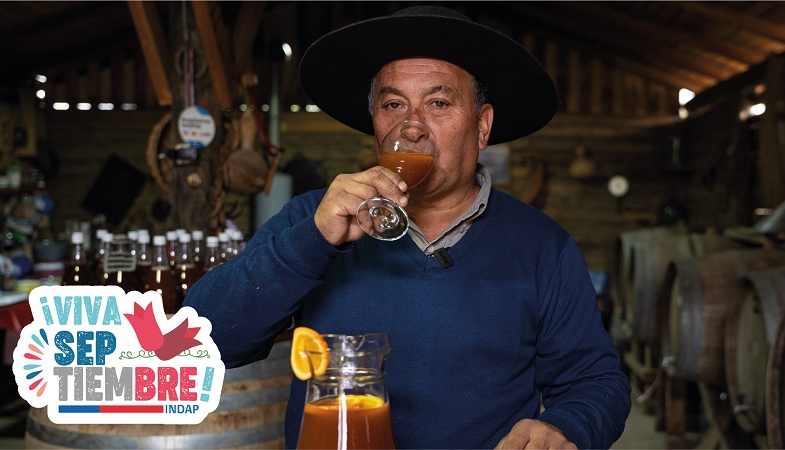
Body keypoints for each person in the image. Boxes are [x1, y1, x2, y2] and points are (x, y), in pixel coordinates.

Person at [184, 6, 631, 449]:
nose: (411, 127)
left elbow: (595, 381)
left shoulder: (542, 247)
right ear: (375, 124)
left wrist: (566, 426)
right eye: (393, 104)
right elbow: (203, 341)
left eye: (438, 103)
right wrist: (312, 241)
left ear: (481, 126)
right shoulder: (312, 219)